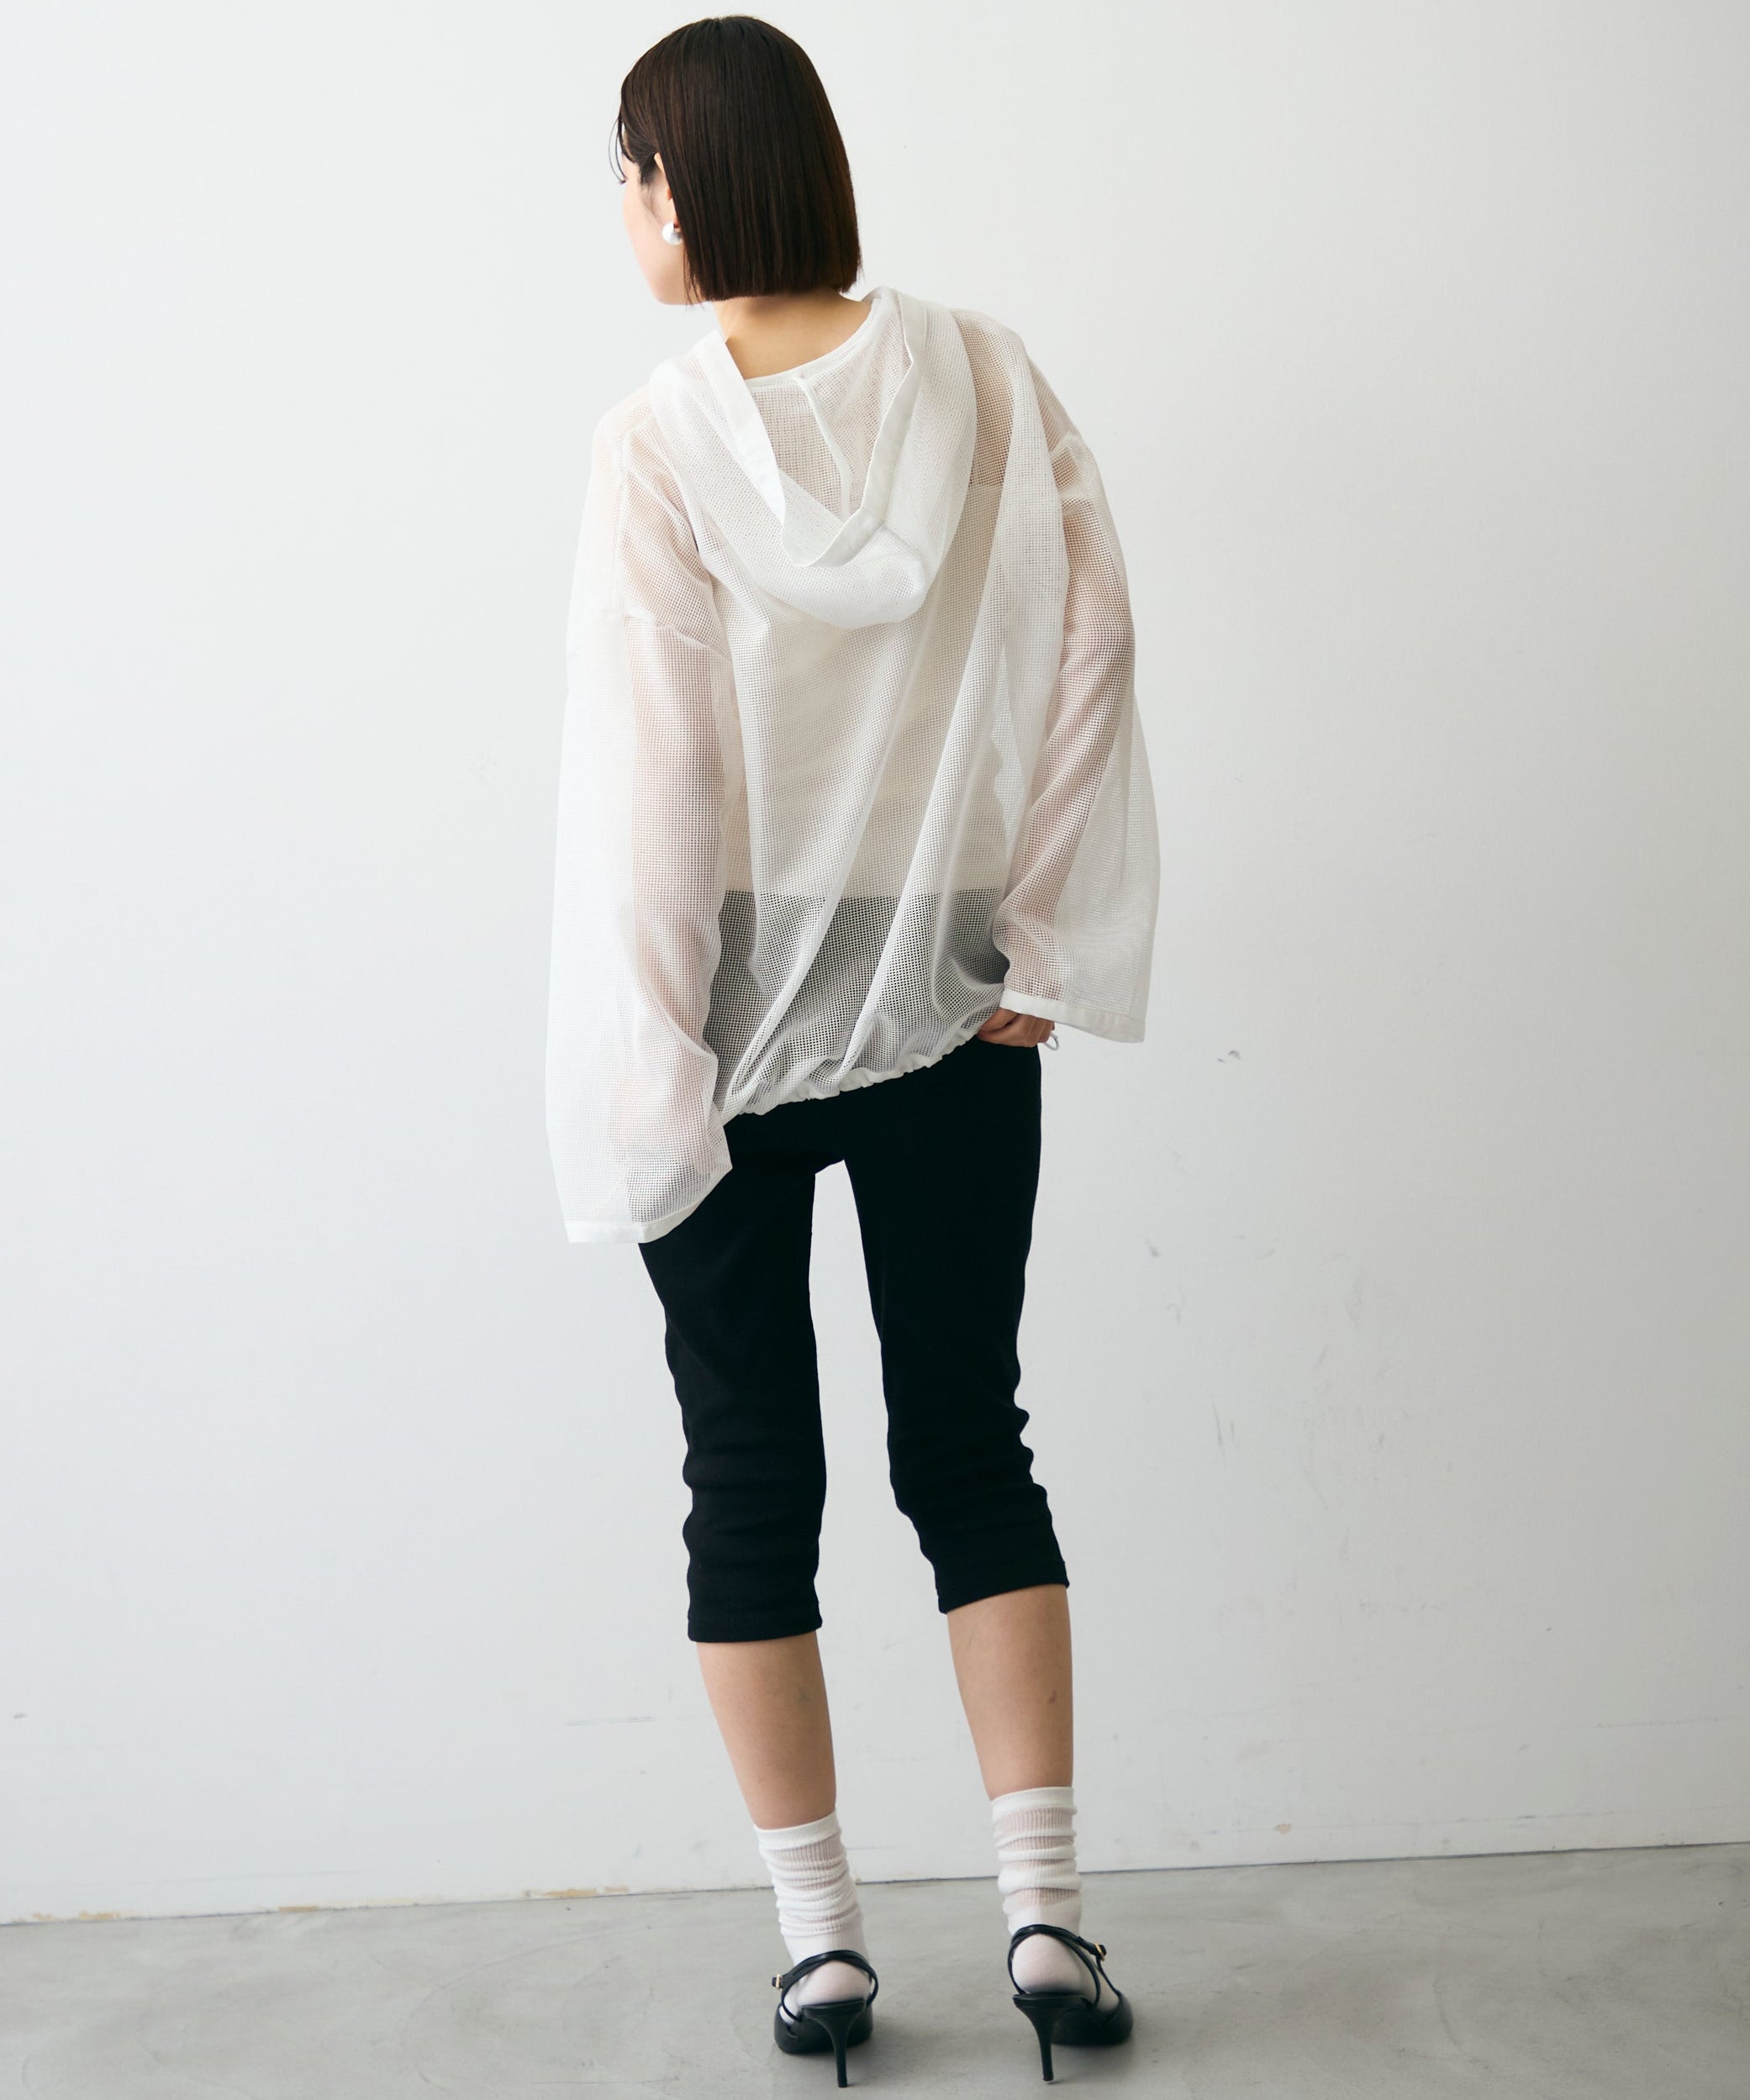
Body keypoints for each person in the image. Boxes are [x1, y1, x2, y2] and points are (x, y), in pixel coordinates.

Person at [544, 14, 1157, 2084]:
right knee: (972, 1441)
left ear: (685, 189)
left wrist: (655, 1061)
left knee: (749, 1476)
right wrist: (1042, 926)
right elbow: (1090, 642)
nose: (627, 211)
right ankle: (1046, 1917)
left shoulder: (657, 443)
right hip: (950, 970)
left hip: (725, 992)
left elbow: (659, 776)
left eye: (633, 175)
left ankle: (822, 1952)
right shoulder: (988, 373)